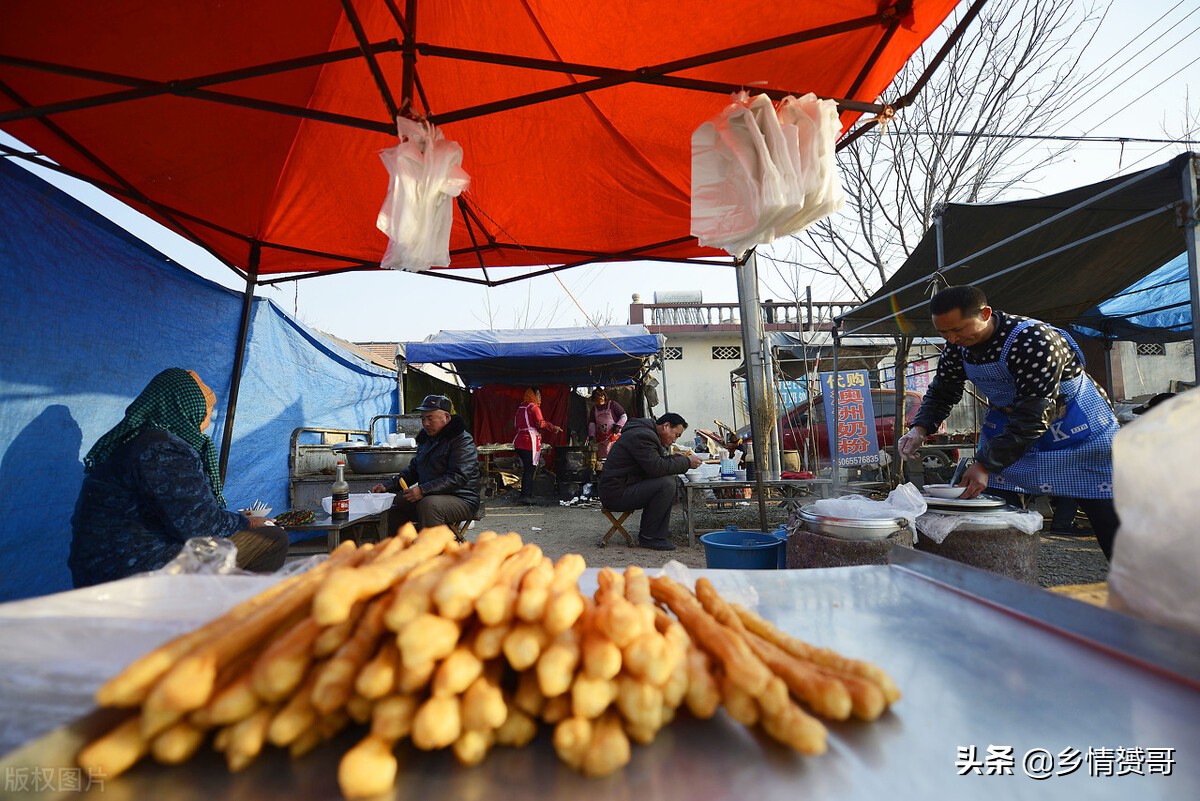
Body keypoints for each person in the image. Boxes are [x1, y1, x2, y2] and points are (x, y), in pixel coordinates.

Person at [898, 285, 1121, 559]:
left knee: (1108, 518)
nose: (952, 339)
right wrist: (920, 429)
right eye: (943, 332)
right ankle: (998, 577)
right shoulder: (957, 348)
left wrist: (985, 464)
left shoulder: (1033, 340)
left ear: (985, 313)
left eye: (959, 330)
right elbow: (943, 390)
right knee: (986, 511)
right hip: (1010, 427)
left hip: (1077, 431)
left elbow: (1034, 413)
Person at [69, 368, 288, 588]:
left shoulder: (140, 442)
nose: (208, 415)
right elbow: (201, 525)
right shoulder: (162, 449)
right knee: (271, 538)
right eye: (205, 408)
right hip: (136, 571)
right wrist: (248, 522)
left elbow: (185, 514)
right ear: (185, 406)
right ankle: (223, 614)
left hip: (110, 565)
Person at [373, 394, 480, 531]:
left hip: (462, 499)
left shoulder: (462, 440)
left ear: (446, 417)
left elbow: (458, 476)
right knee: (395, 502)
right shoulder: (427, 440)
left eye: (430, 418)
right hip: (431, 495)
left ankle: (432, 550)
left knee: (429, 505)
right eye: (423, 418)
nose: (425, 423)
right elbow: (413, 470)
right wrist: (387, 486)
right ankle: (402, 547)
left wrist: (423, 490)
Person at [598, 413, 703, 551]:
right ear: (666, 426)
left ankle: (657, 530)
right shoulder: (642, 436)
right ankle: (650, 537)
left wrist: (675, 459)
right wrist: (686, 462)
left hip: (623, 487)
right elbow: (656, 468)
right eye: (676, 435)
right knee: (666, 484)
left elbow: (652, 463)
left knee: (668, 481)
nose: (674, 440)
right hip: (615, 493)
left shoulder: (645, 433)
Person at [513, 387, 562, 504]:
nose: (540, 398)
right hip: (528, 442)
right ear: (533, 396)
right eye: (538, 395)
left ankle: (527, 493)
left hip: (519, 441)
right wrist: (553, 427)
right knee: (530, 469)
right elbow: (540, 423)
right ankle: (525, 495)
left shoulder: (520, 408)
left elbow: (515, 424)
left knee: (527, 468)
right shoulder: (533, 407)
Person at [587, 388, 628, 460]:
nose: (599, 401)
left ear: (604, 397)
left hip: (614, 437)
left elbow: (623, 416)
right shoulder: (594, 409)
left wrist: (618, 426)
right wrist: (591, 435)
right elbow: (592, 423)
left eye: (601, 398)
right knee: (603, 459)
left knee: (616, 458)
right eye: (596, 400)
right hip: (601, 439)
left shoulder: (612, 404)